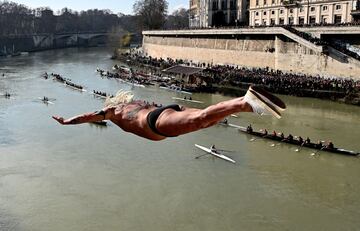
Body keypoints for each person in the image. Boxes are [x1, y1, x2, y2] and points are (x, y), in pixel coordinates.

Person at [53, 86, 286, 141]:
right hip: (166, 109)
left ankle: (246, 102)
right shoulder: (135, 101)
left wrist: (66, 122)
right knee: (206, 121)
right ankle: (246, 103)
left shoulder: (111, 111)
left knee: (202, 119)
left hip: (156, 123)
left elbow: (86, 116)